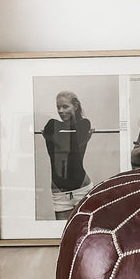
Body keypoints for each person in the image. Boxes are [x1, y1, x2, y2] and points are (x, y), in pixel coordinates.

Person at [41, 91, 93, 220]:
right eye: (58, 107)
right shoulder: (52, 125)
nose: (61, 111)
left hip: (81, 187)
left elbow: (74, 147)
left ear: (75, 106)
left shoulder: (84, 124)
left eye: (65, 106)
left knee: (83, 229)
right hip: (59, 190)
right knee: (61, 232)